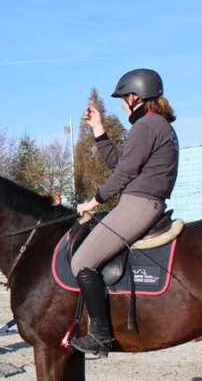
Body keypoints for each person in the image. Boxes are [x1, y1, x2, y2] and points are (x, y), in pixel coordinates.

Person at [70, 68, 179, 356]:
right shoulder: (156, 125)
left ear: (135, 97)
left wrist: (94, 201)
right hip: (146, 201)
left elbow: (125, 173)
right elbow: (118, 162)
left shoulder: (147, 127)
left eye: (123, 99)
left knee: (82, 261)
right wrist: (98, 129)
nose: (121, 104)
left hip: (139, 203)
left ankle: (101, 335)